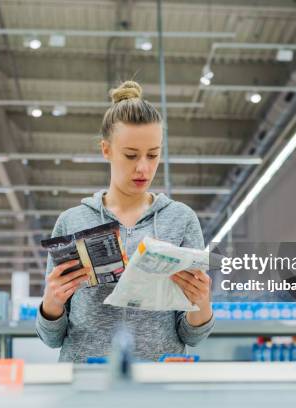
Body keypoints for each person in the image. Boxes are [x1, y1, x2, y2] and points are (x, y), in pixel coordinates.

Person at [36, 80, 215, 362]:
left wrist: (201, 302)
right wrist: (52, 302)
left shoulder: (181, 219)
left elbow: (193, 336)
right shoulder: (72, 221)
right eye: (131, 155)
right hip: (86, 386)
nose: (143, 167)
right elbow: (51, 338)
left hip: (156, 385)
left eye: (153, 155)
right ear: (106, 150)